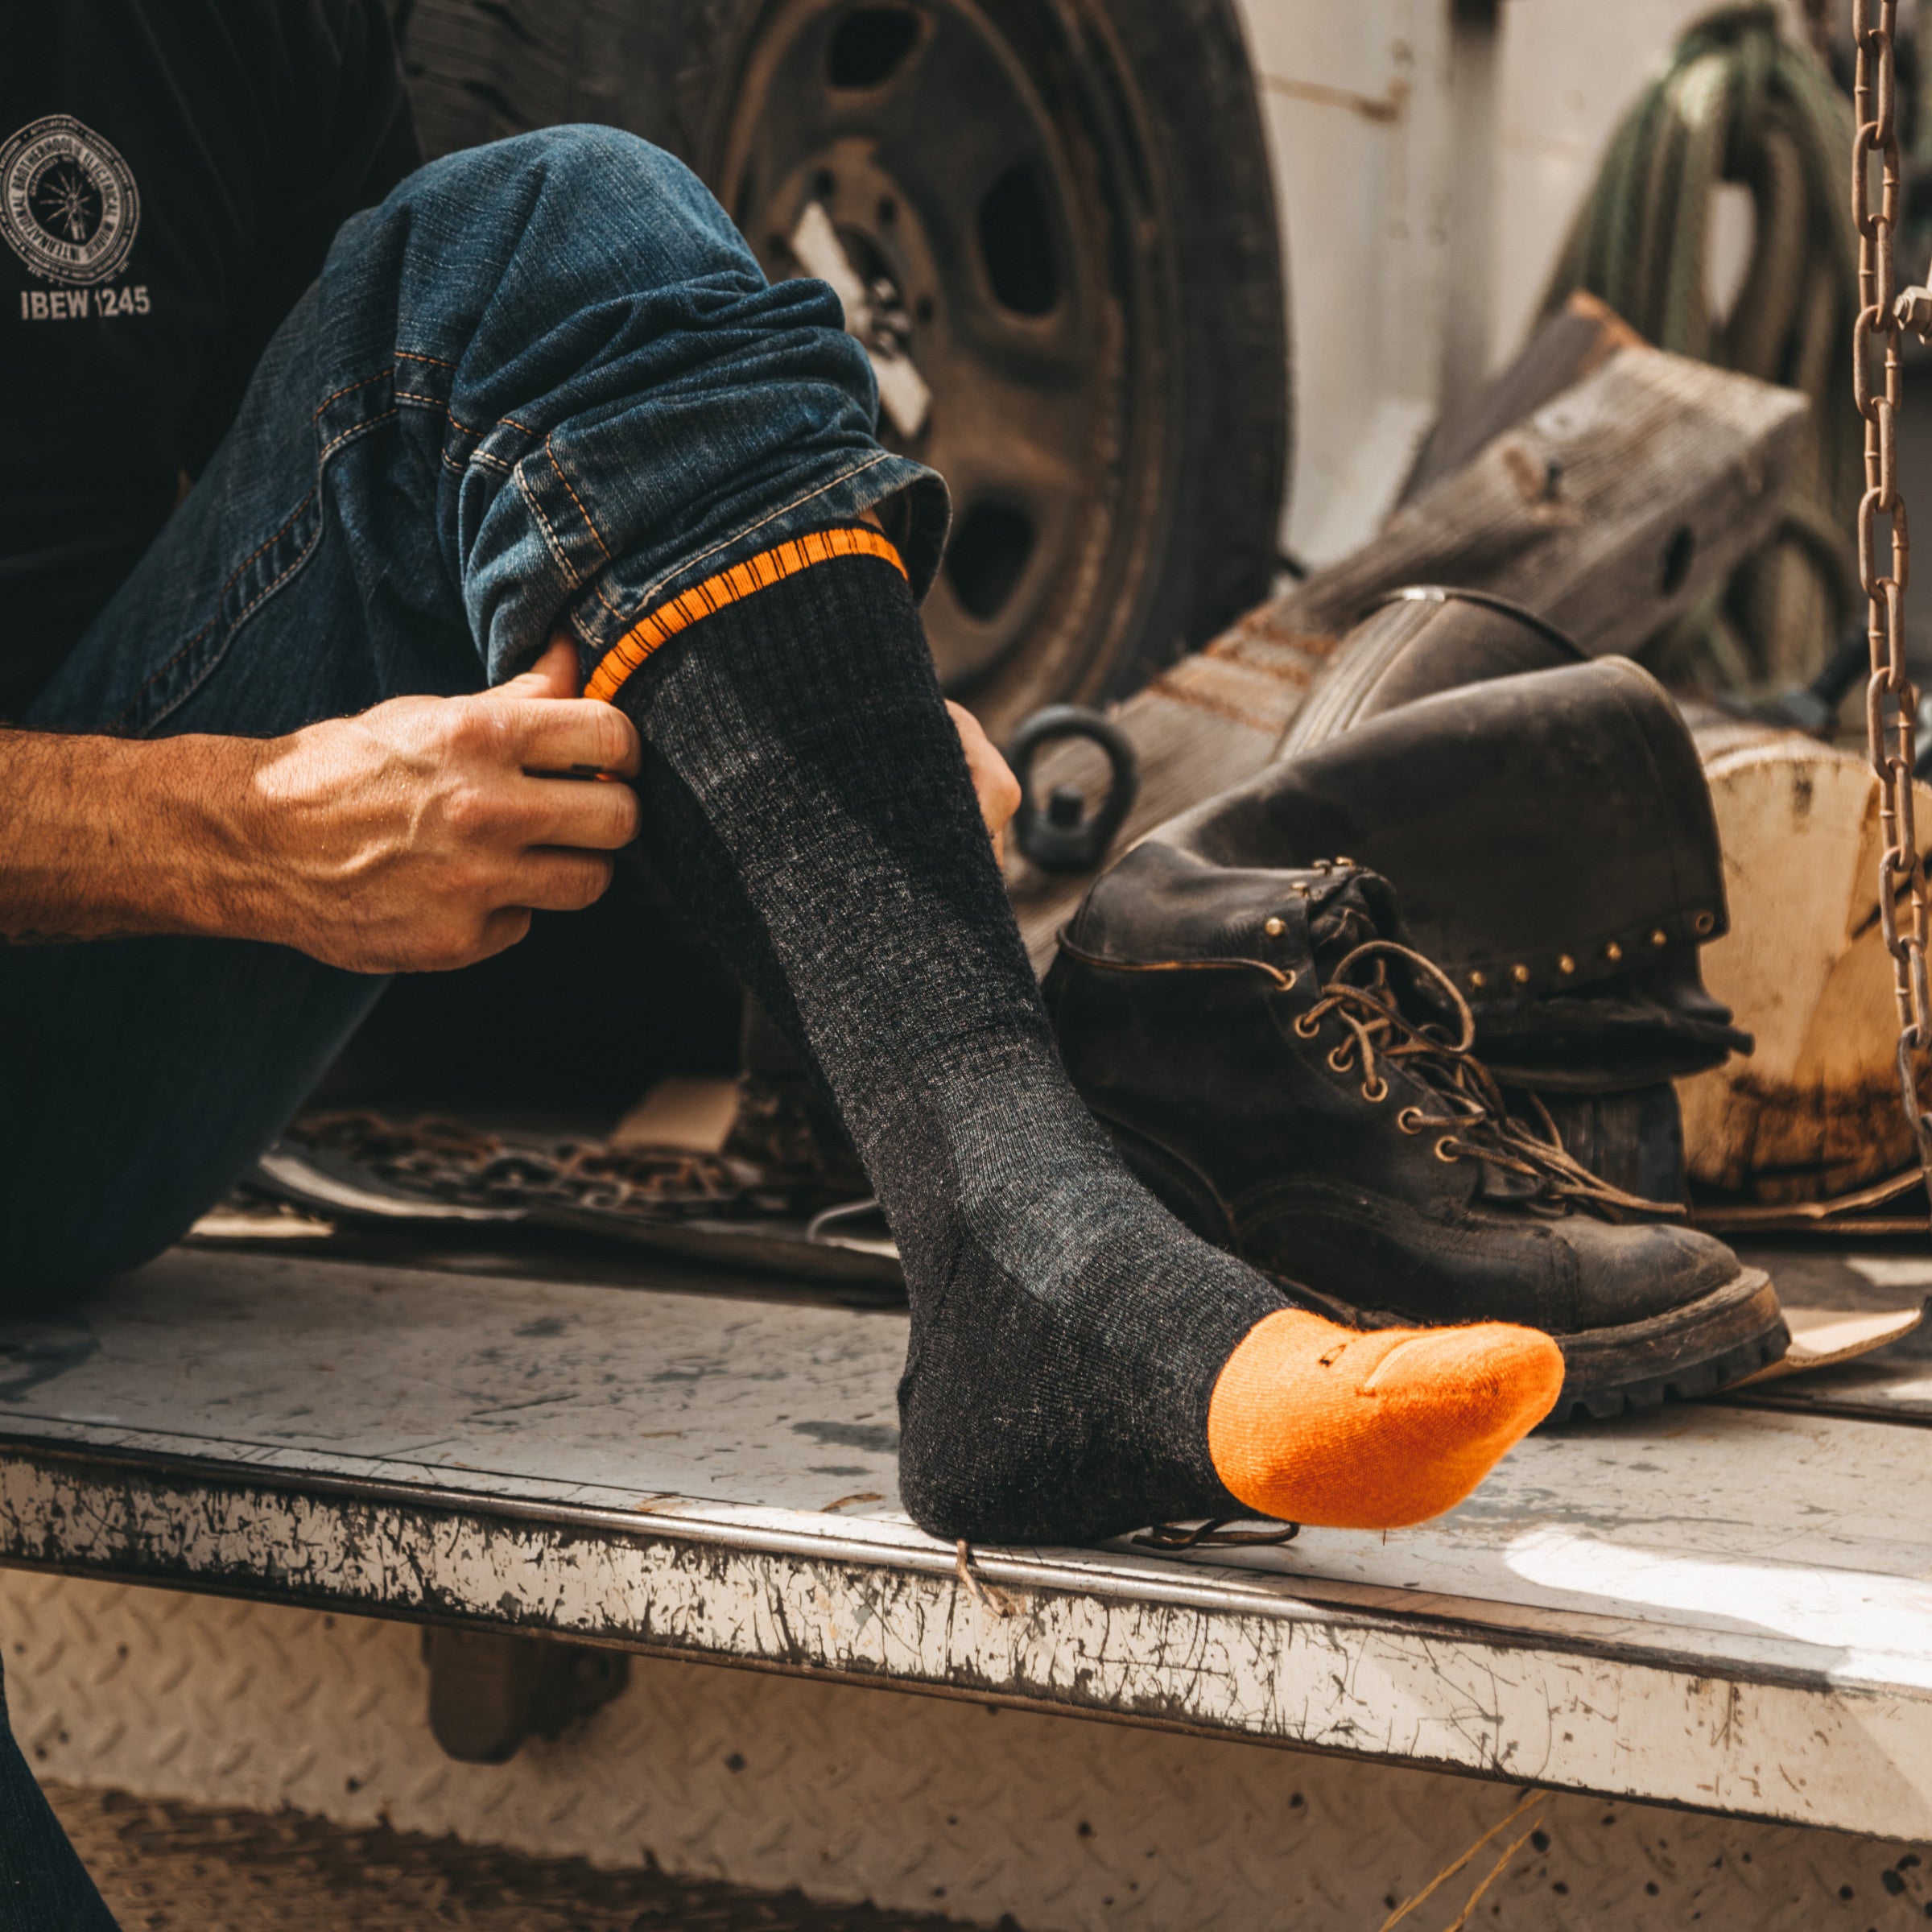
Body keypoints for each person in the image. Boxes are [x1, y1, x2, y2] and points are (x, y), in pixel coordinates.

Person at [0, 2, 1569, 1918]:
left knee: (551, 225)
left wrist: (821, 722)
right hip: (149, 876)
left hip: (72, 1039)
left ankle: (1024, 1255)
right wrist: (227, 826)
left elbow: (401, 446)